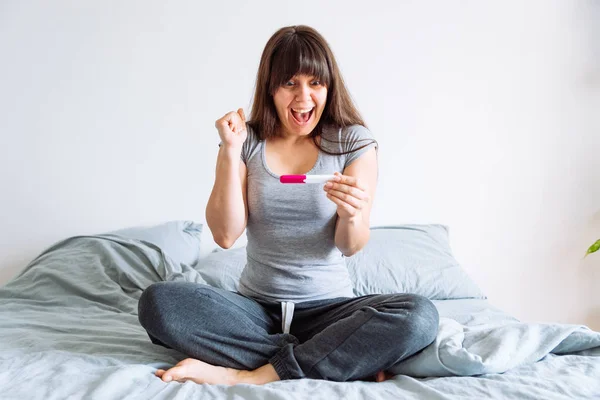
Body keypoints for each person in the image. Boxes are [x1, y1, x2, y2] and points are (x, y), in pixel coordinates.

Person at [138, 25, 439, 385]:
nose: (303, 97)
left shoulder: (353, 142)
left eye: (315, 83)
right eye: (290, 83)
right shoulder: (244, 140)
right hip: (255, 311)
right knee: (158, 302)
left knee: (419, 316)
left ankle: (252, 375)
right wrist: (230, 152)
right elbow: (224, 234)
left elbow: (351, 245)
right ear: (271, 87)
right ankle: (331, 355)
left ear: (330, 86)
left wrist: (351, 213)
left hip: (330, 311)